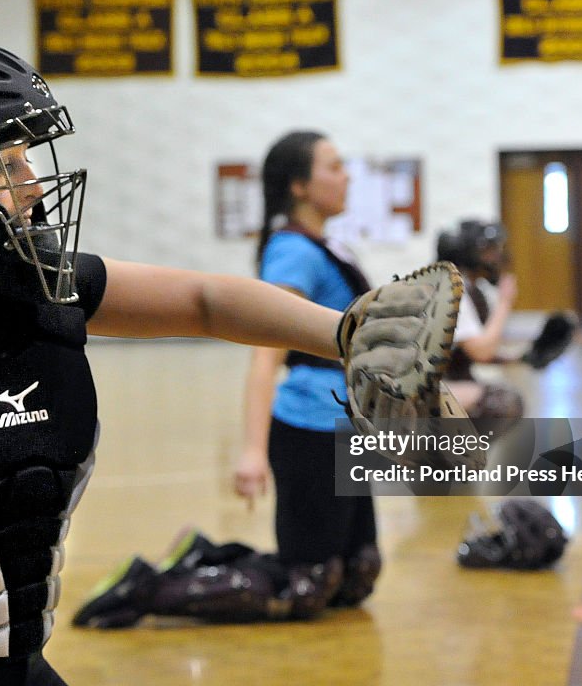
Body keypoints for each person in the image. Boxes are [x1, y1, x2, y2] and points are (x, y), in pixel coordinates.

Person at [0, 43, 455, 685]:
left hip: (18, 668)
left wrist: (353, 336)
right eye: (1, 165)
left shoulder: (52, 287)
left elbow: (206, 301)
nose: (35, 185)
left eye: (27, 159)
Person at [70, 131, 382, 629]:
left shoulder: (325, 246)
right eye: (334, 166)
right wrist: (253, 450)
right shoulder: (293, 252)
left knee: (355, 575)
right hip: (310, 426)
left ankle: (203, 554)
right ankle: (149, 585)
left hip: (345, 425)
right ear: (300, 186)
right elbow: (266, 355)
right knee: (308, 583)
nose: (346, 176)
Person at [436, 219, 524, 427]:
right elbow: (481, 351)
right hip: (416, 392)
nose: (497, 258)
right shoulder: (452, 290)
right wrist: (504, 302)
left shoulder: (469, 289)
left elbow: (470, 350)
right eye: (490, 251)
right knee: (501, 403)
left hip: (441, 381)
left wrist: (525, 357)